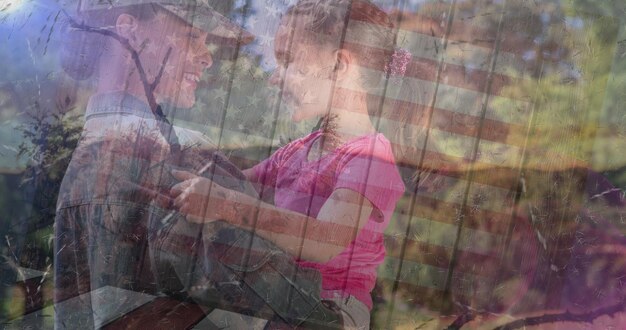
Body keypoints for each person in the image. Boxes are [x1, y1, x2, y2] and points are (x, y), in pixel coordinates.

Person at [171, 0, 418, 328]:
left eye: (288, 61)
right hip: (284, 296)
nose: (275, 79)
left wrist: (228, 205)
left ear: (339, 66)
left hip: (330, 310)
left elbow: (323, 240)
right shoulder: (296, 152)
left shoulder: (371, 157)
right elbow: (232, 181)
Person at [53, 1, 258, 328]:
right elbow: (270, 302)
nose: (207, 57)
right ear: (129, 30)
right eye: (192, 36)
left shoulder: (76, 161)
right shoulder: (186, 152)